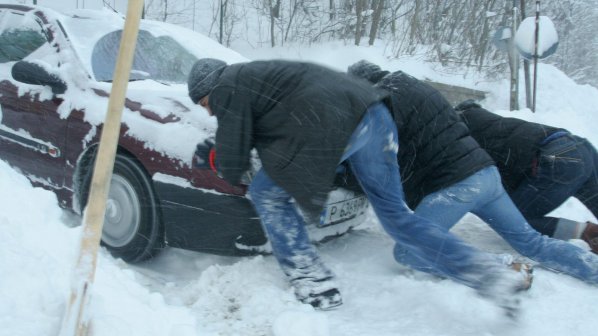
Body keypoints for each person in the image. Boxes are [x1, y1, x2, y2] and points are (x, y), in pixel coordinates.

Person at [187, 58, 530, 312]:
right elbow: (274, 130)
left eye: (205, 105)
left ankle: (311, 279)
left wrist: (213, 159)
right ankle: (488, 274)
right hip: (375, 116)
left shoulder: (228, 85)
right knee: (396, 217)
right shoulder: (260, 78)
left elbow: (234, 161)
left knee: (267, 193)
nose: (209, 113)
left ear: (210, 88)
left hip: (334, 124)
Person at [347, 60, 598, 287]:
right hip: (486, 176)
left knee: (409, 251)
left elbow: (380, 155)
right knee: (531, 241)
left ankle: (500, 270)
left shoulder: (383, 103)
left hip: (455, 186)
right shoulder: (421, 88)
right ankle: (592, 269)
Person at [455, 100, 598, 253]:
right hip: (577, 147)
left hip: (559, 159)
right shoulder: (476, 118)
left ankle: (586, 232)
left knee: (511, 218)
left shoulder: (457, 133)